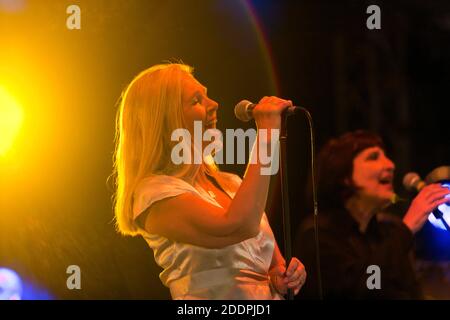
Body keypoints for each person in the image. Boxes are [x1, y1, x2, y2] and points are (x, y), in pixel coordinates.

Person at [112, 63, 307, 299]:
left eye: (206, 96)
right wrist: (266, 136)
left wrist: (282, 275)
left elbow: (271, 263)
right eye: (196, 101)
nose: (214, 105)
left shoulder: (232, 183)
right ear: (164, 122)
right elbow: (239, 225)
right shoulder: (154, 194)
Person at [294, 130, 450, 299]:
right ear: (344, 176)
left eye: (386, 157)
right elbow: (364, 287)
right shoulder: (318, 234)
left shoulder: (387, 232)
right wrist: (407, 227)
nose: (391, 165)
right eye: (374, 157)